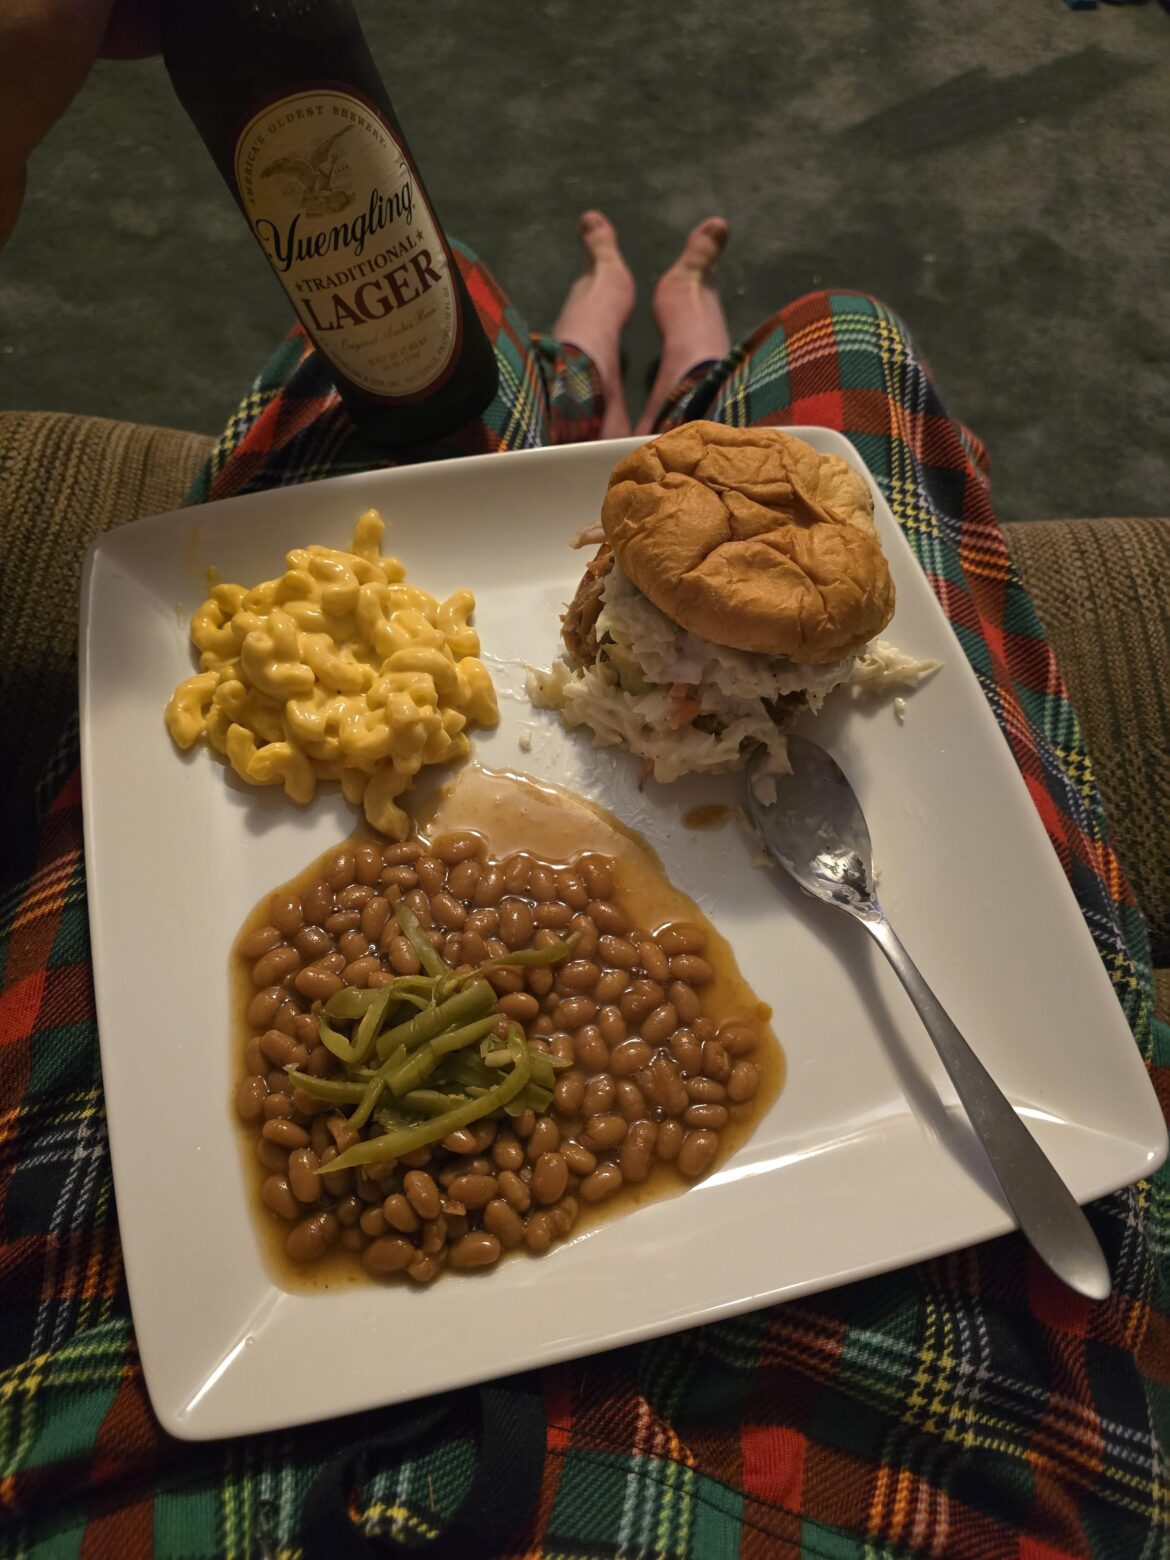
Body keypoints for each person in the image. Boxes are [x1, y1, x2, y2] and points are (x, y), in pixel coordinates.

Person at [1, 11, 1163, 1560]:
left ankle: (596, 359)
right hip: (908, 1474)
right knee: (843, 348)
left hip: (150, 1486)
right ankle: (671, 365)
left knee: (416, 336)